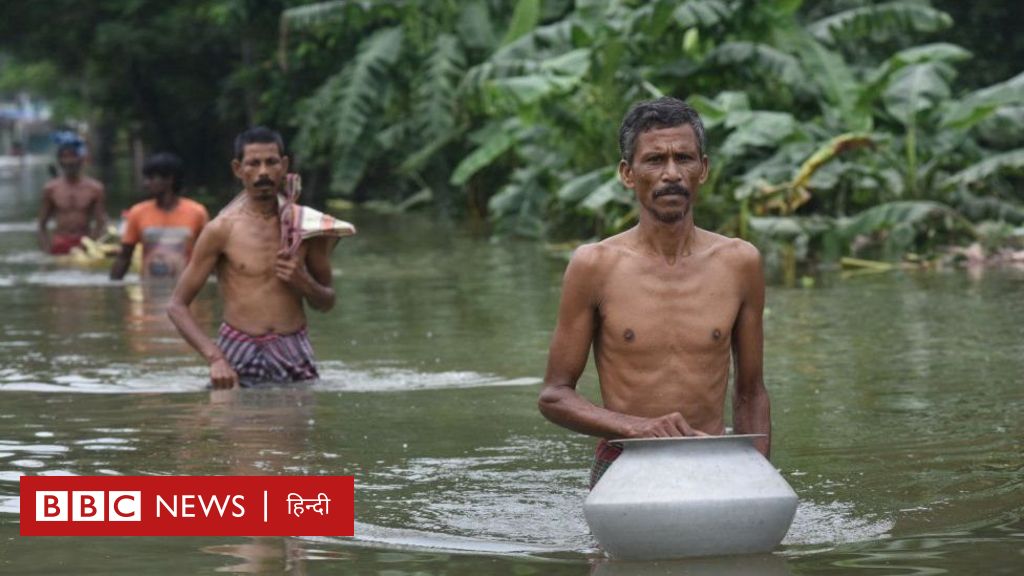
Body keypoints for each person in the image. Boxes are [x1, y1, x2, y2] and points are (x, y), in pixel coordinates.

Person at [537, 97, 770, 489]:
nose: (672, 174)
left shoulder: (739, 262)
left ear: (704, 169)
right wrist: (639, 427)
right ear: (628, 174)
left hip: (712, 459)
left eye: (684, 158)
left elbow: (750, 392)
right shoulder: (595, 265)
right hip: (625, 462)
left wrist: (760, 477)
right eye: (655, 160)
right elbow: (555, 396)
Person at [167, 127, 336, 388]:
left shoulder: (307, 226)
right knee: (238, 426)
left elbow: (327, 302)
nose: (263, 172)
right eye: (253, 164)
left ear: (285, 165)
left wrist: (302, 281)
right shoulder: (221, 230)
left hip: (294, 349)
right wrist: (215, 359)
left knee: (296, 427)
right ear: (238, 169)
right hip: (237, 350)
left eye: (271, 162)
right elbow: (177, 306)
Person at [110, 152, 209, 280]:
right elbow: (124, 257)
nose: (146, 184)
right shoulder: (138, 212)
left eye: (151, 178)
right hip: (149, 289)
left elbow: (208, 257)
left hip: (185, 292)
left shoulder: (197, 213)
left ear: (169, 179)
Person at [37, 141, 107, 254]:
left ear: (81, 159)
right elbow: (41, 225)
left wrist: (92, 245)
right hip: (60, 242)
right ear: (59, 161)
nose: (69, 161)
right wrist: (47, 251)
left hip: (85, 241)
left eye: (73, 156)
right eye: (65, 157)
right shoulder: (51, 189)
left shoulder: (95, 188)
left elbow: (101, 223)